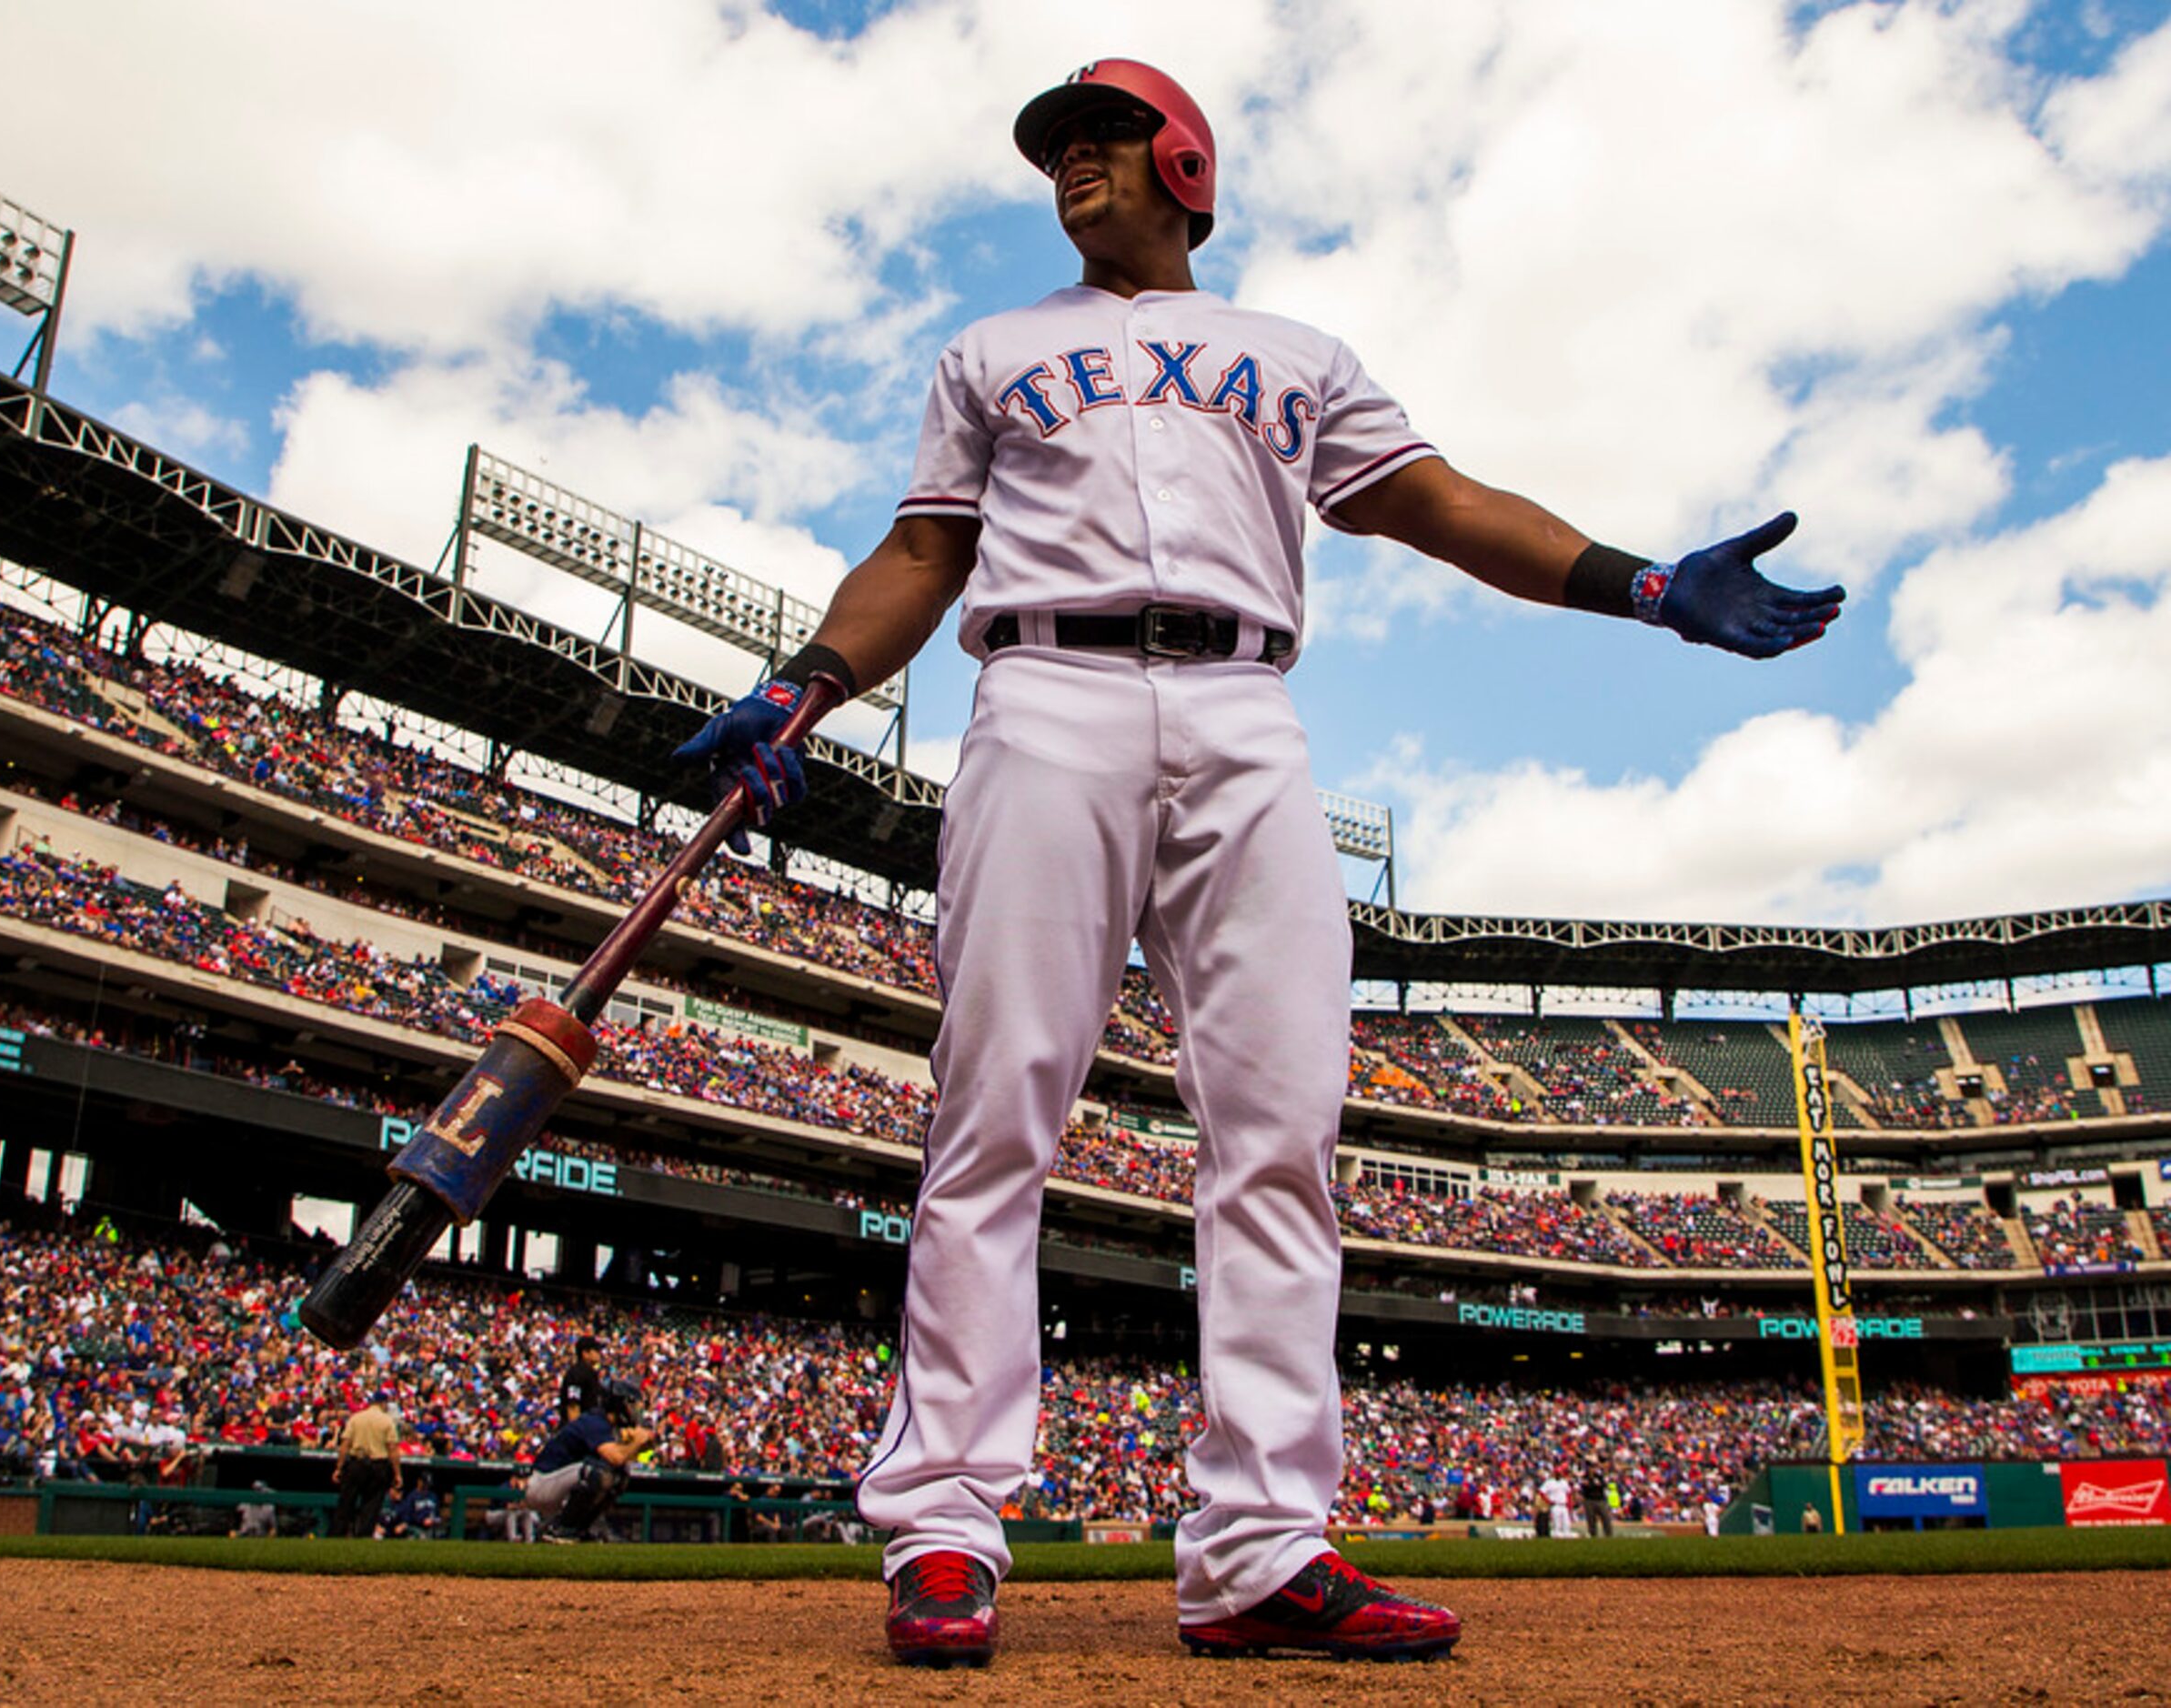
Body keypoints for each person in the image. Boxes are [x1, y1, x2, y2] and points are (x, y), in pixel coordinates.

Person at [674, 58, 1838, 1670]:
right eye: (1055, 150)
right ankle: (944, 1522)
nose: (1072, 163)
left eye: (1100, 138)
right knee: (994, 1104)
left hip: (1243, 708)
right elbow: (925, 549)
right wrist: (809, 675)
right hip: (1044, 691)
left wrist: (1637, 585)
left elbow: (1436, 501)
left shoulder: (1296, 355)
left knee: (1282, 1129)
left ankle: (1261, 1544)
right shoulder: (990, 349)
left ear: (1185, 161)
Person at [518, 1379, 654, 1543]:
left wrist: (643, 1443)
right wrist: (637, 1442)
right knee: (598, 1472)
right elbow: (616, 1457)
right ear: (619, 1404)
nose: (635, 1411)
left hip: (558, 1483)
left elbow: (625, 1458)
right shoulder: (595, 1422)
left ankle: (579, 1529)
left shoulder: (610, 1425)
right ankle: (559, 1529)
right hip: (542, 1483)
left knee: (620, 1474)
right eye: (632, 1406)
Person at [332, 1390, 399, 1539]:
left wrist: (339, 1468)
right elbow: (392, 1449)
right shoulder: (387, 1420)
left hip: (357, 1462)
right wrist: (397, 1473)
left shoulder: (356, 1418)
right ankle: (363, 1535)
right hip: (378, 1464)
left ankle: (338, 1534)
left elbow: (345, 1445)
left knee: (346, 1502)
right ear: (383, 1403)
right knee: (371, 1505)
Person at [560, 1334, 607, 1424]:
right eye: (596, 1350)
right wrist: (578, 1432)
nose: (599, 1353)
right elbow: (573, 1406)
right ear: (585, 1353)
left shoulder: (591, 1373)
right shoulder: (576, 1374)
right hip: (579, 1429)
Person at [1581, 1466, 1614, 1538]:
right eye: (1590, 1468)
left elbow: (1604, 1485)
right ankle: (1593, 1534)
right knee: (1591, 1519)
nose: (1592, 1470)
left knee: (1605, 1517)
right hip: (1589, 1500)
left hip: (1600, 1500)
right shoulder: (1585, 1477)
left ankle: (1609, 1534)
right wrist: (1593, 1484)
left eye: (1593, 1468)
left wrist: (1595, 1484)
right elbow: (1585, 1487)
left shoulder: (1599, 1476)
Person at [1543, 1470, 1576, 1541]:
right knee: (1557, 1524)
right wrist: (1548, 1501)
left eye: (1560, 1473)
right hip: (1555, 1505)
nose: (1559, 1475)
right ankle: (1557, 1537)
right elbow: (1542, 1492)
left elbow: (1569, 1493)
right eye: (1557, 1473)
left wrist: (1570, 1505)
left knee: (1566, 1523)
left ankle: (1567, 1536)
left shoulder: (1564, 1482)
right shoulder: (1549, 1482)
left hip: (1564, 1505)